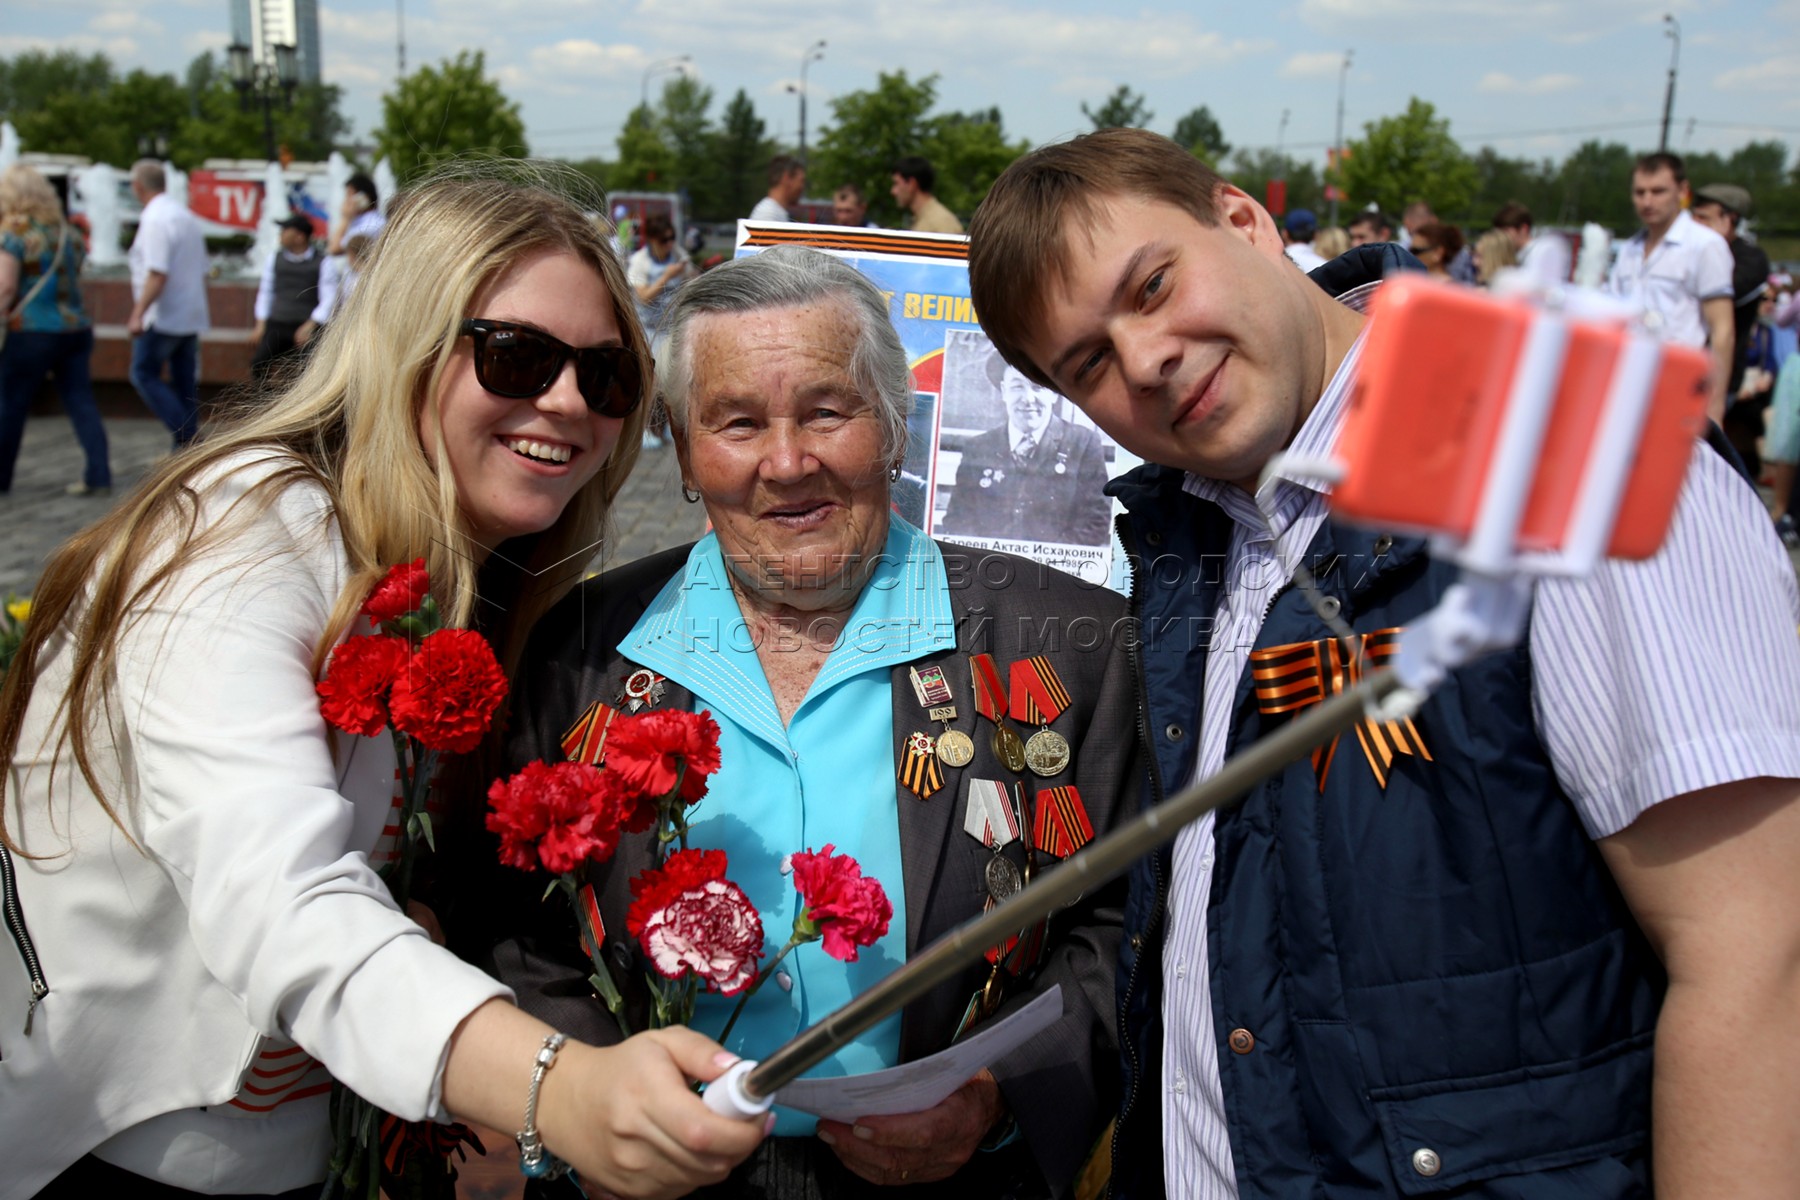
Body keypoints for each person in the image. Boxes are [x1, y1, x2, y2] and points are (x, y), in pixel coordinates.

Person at [968, 127, 1800, 1200]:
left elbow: (1759, 959)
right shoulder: (1196, 534)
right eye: (1086, 363)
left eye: (1154, 285)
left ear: (1243, 219)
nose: (1145, 358)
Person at [0, 169, 770, 1200]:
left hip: (320, 1152)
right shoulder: (236, 543)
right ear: (407, 338)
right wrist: (560, 1088)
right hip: (117, 1150)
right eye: (518, 355)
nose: (568, 402)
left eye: (608, 374)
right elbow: (285, 900)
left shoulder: (488, 580)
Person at [467, 246, 1135, 1199]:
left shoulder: (1075, 647)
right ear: (686, 454)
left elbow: (1120, 926)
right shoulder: (580, 651)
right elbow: (512, 929)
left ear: (895, 427)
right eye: (738, 423)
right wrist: (591, 1098)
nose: (788, 463)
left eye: (828, 410)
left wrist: (995, 1094)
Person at [0, 163, 108, 497]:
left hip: (32, 329)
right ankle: (99, 474)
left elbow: (5, 285)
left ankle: (1, 477)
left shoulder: (14, 232)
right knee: (81, 402)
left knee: (10, 404)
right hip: (75, 329)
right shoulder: (69, 233)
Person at [1605, 152, 1735, 423]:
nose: (1647, 201)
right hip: (1627, 384)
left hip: (1679, 386)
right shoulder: (1628, 250)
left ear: (1682, 191)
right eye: (1640, 193)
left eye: (1658, 191)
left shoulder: (1704, 245)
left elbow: (1722, 331)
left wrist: (1714, 406)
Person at [940, 351, 1112, 546]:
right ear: (1004, 392)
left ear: (1054, 393)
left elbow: (1096, 521)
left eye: (1037, 387)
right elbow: (957, 518)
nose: (1028, 398)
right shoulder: (978, 448)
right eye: (1017, 387)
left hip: (1053, 570)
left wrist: (1049, 561)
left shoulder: (1083, 443)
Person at [126, 159, 210, 449]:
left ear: (138, 187)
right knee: (185, 383)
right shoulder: (184, 216)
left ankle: (189, 438)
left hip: (162, 315)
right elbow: (202, 269)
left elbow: (157, 272)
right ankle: (187, 451)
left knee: (143, 373)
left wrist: (137, 313)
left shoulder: (155, 219)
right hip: (189, 312)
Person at [1689, 182, 1771, 402]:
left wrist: (1716, 245)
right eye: (1694, 216)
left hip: (1719, 377)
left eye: (1704, 218)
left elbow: (1725, 291)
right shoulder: (1688, 250)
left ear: (1730, 220)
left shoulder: (1751, 258)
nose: (1694, 224)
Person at [250, 213, 323, 385]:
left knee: (308, 369)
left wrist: (311, 324)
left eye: (285, 230)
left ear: (299, 236)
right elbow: (266, 291)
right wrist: (261, 323)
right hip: (279, 323)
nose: (280, 234)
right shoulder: (274, 259)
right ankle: (265, 403)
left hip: (307, 326)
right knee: (258, 363)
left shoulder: (322, 262)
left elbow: (329, 298)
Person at [626, 212, 696, 353]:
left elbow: (692, 278)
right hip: (649, 330)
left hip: (672, 328)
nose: (669, 243)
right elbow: (643, 298)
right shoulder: (640, 261)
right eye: (664, 240)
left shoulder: (677, 254)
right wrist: (666, 276)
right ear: (652, 240)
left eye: (672, 238)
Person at [1492, 201, 1571, 289]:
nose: (1500, 237)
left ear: (1523, 229)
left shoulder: (1545, 249)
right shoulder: (1518, 253)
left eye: (1505, 231)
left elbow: (1541, 288)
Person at [891, 156, 963, 235]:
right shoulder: (926, 220)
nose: (893, 191)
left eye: (896, 183)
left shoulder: (940, 223)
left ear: (911, 184)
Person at [325, 171, 384, 256]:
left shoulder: (373, 224)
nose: (346, 200)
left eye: (350, 195)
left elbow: (334, 248)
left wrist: (345, 218)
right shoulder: (359, 221)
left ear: (363, 198)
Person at [750, 155, 805, 223]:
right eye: (801, 181)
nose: (802, 187)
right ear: (787, 178)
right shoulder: (768, 214)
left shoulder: (773, 212)